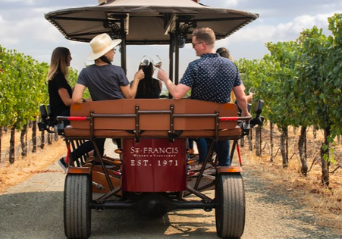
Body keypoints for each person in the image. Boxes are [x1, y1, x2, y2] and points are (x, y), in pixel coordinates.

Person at [158, 28, 249, 166]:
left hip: (200, 124)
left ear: (203, 45)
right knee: (225, 162)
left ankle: (202, 163)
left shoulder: (196, 66)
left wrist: (166, 79)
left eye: (194, 44)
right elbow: (241, 97)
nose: (193, 48)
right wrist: (245, 113)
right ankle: (223, 169)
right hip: (222, 124)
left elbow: (177, 94)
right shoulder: (231, 66)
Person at [71, 33, 145, 162]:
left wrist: (89, 101)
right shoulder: (117, 71)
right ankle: (126, 162)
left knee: (99, 135)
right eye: (112, 50)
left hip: (100, 121)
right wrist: (137, 78)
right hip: (121, 121)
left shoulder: (85, 72)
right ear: (105, 53)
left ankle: (94, 162)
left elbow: (76, 99)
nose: (114, 53)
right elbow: (130, 96)